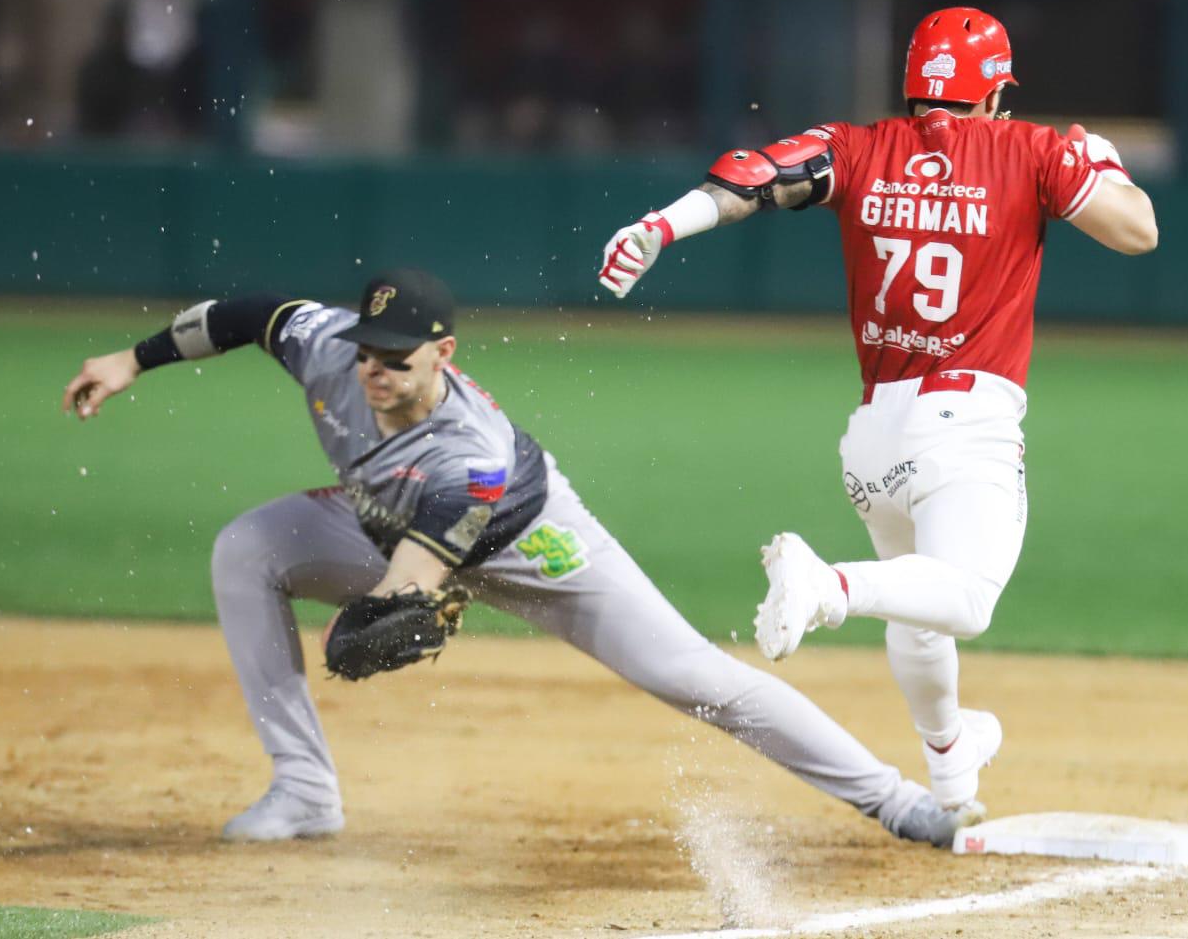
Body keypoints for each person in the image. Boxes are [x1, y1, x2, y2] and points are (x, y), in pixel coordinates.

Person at [62, 268, 979, 846]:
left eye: (396, 358)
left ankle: (899, 803)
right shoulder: (326, 345)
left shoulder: (473, 455)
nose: (374, 371)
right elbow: (244, 313)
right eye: (367, 354)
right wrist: (132, 359)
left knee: (695, 675)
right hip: (387, 515)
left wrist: (385, 612)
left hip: (533, 541)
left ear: (444, 352)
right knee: (246, 549)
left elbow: (414, 575)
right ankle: (304, 791)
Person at [597, 7, 1158, 812]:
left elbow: (756, 174)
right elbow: (1137, 231)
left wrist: (661, 225)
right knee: (963, 598)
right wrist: (1103, 163)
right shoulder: (1034, 150)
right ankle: (826, 587)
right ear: (995, 92)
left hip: (874, 440)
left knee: (919, 610)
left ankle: (951, 761)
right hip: (966, 426)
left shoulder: (859, 147)